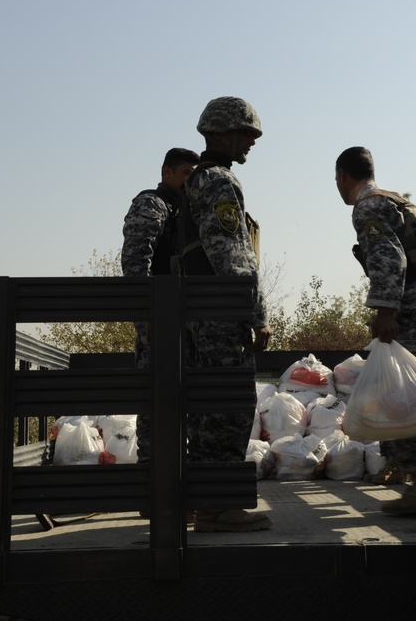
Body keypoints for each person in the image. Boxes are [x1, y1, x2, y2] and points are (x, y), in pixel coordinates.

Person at [335, 146, 416, 514]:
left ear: (343, 176)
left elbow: (389, 258)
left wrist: (384, 310)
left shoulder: (368, 206)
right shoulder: (397, 201)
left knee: (408, 396)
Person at [177, 96, 272, 532]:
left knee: (211, 408)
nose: (251, 141)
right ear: (220, 134)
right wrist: (256, 315)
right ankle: (217, 507)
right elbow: (232, 257)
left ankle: (210, 503)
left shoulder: (200, 179)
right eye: (245, 133)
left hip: (202, 310)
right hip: (220, 313)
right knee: (228, 405)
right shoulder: (217, 182)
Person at [121, 147, 201, 463]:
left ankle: (186, 490)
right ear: (166, 173)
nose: (190, 182)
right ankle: (152, 488)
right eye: (185, 174)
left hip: (190, 320)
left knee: (192, 405)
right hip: (160, 319)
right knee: (156, 405)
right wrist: (146, 313)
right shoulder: (152, 204)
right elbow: (135, 261)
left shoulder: (190, 210)